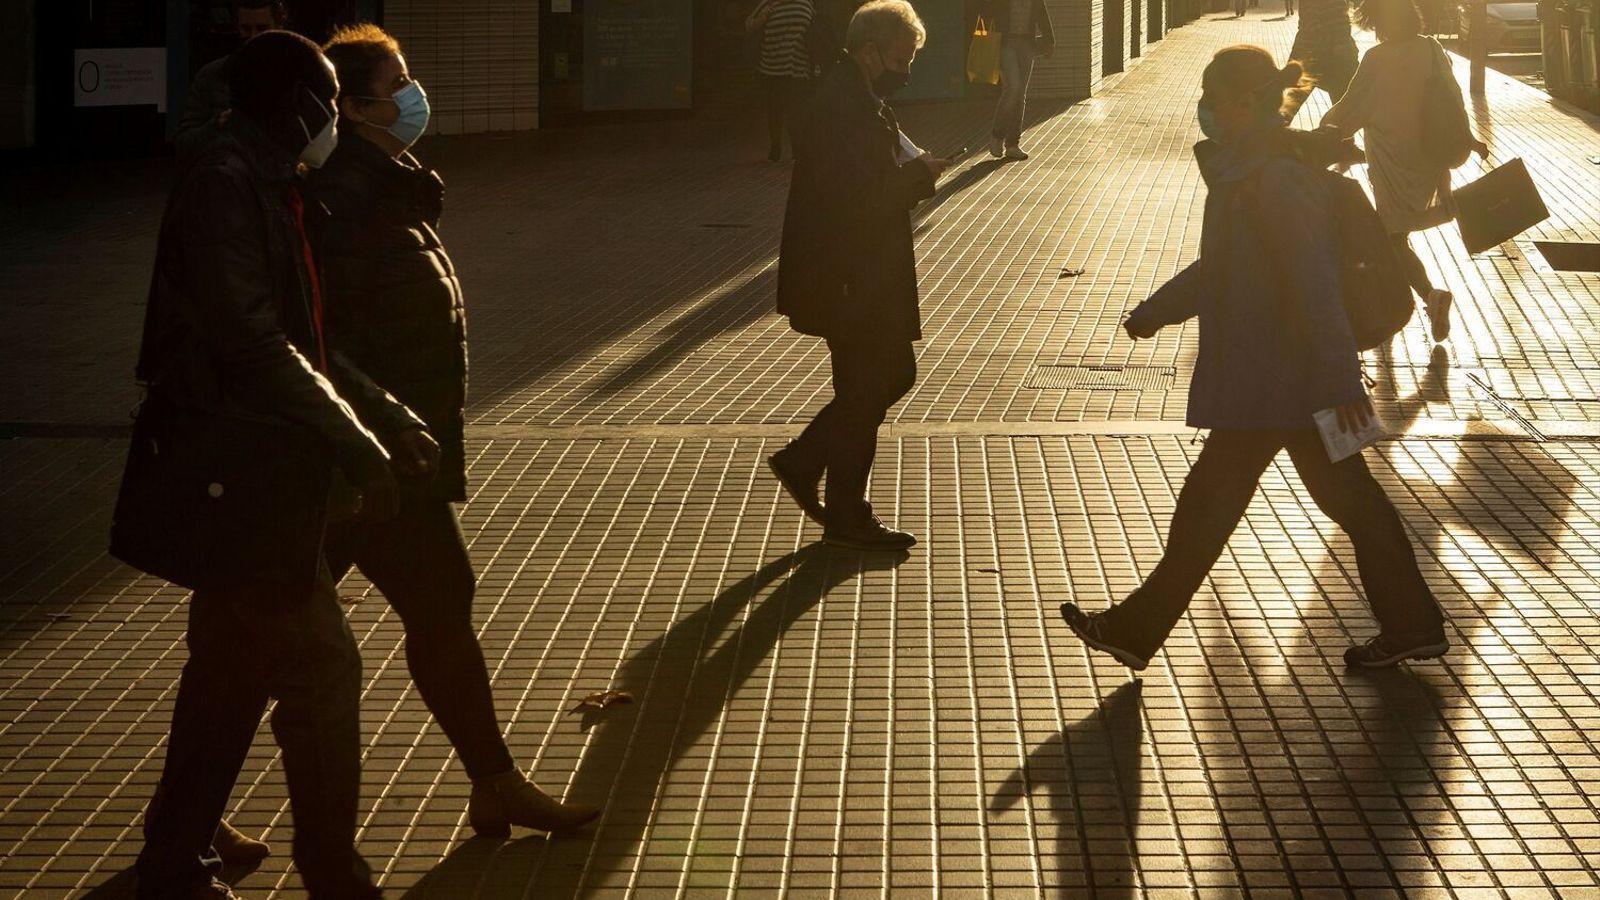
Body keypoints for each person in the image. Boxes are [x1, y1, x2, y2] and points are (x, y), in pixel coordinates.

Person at [199, 21, 601, 844]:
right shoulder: (338, 197)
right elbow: (318, 335)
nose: (416, 97)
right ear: (348, 105)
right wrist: (376, 423)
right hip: (356, 455)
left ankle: (494, 785)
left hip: (394, 450)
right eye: (401, 84)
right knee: (267, 636)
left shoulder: (386, 181)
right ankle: (197, 828)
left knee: (431, 607)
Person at [117, 31, 439, 900]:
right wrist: (356, 438)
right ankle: (329, 868)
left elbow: (304, 337)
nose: (336, 117)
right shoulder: (229, 185)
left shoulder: (270, 179)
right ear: (296, 104)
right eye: (330, 99)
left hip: (256, 466)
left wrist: (383, 411)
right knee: (320, 670)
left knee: (229, 675)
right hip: (240, 470)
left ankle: (174, 858)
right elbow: (254, 341)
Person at [1058, 45, 1448, 671]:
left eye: (1212, 98)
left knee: (1219, 506)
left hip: (1287, 384)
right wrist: (1158, 310)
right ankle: (1412, 624)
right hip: (1281, 385)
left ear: (1245, 103)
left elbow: (1316, 290)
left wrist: (1340, 385)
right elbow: (1226, 267)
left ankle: (1135, 629)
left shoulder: (1277, 180)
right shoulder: (1252, 172)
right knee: (1343, 505)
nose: (1204, 110)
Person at [770, 0, 951, 551]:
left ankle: (811, 469)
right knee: (871, 383)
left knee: (879, 380)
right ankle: (839, 503)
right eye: (903, 56)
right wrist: (918, 177)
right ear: (869, 51)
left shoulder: (859, 97)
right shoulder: (841, 105)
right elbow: (854, 200)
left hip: (860, 269)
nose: (908, 68)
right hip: (849, 274)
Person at [1320, 0, 1486, 342]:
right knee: (1396, 234)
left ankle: (1427, 297)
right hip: (1429, 160)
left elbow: (1350, 109)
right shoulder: (1432, 49)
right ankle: (1409, 301)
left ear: (1381, 24)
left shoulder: (1377, 59)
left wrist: (1324, 131)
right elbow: (1453, 100)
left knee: (1391, 236)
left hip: (1392, 164)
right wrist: (1463, 148)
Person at [174, 1, 289, 165]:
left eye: (262, 28)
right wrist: (217, 124)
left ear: (279, 27)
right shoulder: (213, 75)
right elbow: (183, 144)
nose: (253, 36)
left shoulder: (296, 74)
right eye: (246, 29)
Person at [981, 0, 1053, 160]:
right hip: (1006, 43)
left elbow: (1041, 12)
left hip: (1027, 44)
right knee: (1012, 89)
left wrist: (1049, 40)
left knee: (1020, 95)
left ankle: (1013, 144)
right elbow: (987, 9)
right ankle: (997, 136)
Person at [748, 0, 818, 161]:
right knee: (781, 111)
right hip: (775, 68)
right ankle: (781, 148)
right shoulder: (771, 3)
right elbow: (749, 25)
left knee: (787, 111)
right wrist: (763, 18)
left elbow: (814, 32)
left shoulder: (805, 3)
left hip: (793, 68)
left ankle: (787, 149)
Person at [1289, 0, 1358, 104]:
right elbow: (1311, 26)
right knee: (1345, 109)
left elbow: (1309, 27)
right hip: (1329, 57)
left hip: (1316, 56)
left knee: (1287, 107)